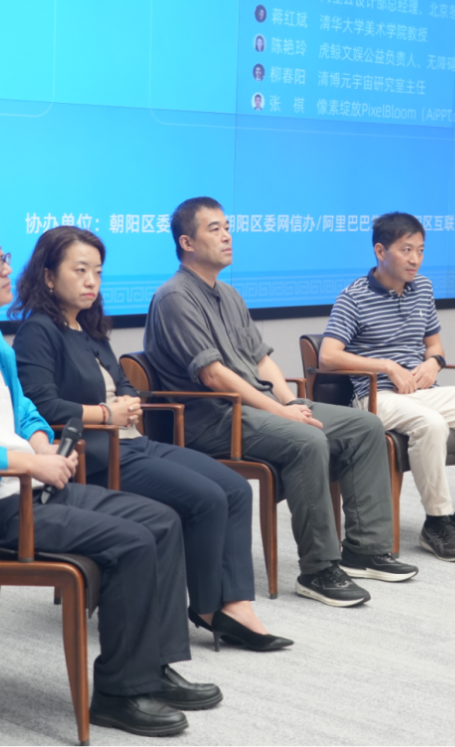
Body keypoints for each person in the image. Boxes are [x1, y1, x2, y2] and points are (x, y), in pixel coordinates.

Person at [0, 221, 220, 738]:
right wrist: (30, 464)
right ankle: (119, 693)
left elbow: (23, 411)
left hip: (30, 490)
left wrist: (40, 444)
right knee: (132, 542)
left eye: (3, 257)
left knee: (162, 520)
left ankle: (152, 667)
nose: (8, 269)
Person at [10, 226, 291, 651]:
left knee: (234, 488)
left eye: (97, 272)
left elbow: (124, 382)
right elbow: (41, 405)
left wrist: (128, 401)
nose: (91, 281)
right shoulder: (38, 331)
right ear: (48, 277)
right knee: (206, 498)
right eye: (80, 270)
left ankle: (236, 604)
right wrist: (107, 413)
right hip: (98, 454)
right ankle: (208, 608)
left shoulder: (89, 328)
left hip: (132, 442)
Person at [144, 197, 417, 608]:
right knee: (307, 439)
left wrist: (292, 401)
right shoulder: (174, 298)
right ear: (187, 242)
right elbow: (213, 375)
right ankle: (318, 570)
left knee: (366, 426)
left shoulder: (228, 294)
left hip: (258, 408)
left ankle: (364, 549)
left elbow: (261, 360)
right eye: (215, 229)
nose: (227, 236)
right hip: (215, 420)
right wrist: (281, 412)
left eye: (227, 227)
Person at [319, 212, 455, 561]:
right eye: (406, 249)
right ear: (380, 251)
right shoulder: (353, 297)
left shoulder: (423, 288)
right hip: (376, 396)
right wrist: (386, 366)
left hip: (424, 392)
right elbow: (327, 356)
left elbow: (435, 346)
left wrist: (434, 363)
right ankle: (437, 523)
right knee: (431, 424)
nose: (415, 259)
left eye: (421, 250)